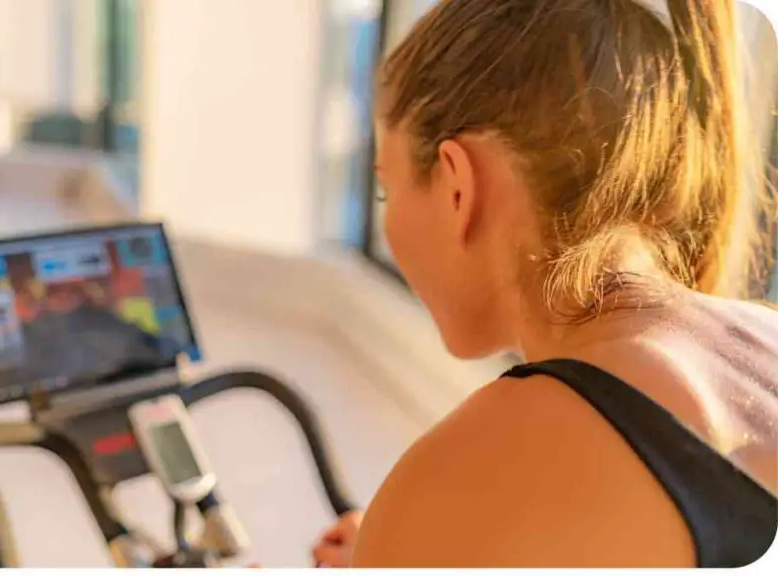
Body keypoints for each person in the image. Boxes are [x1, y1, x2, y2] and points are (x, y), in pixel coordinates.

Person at [312, 0, 778, 568]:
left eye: (387, 189)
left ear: (459, 186)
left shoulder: (464, 479)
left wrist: (406, 542)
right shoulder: (762, 337)